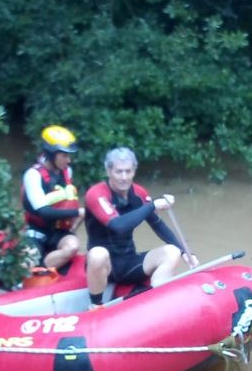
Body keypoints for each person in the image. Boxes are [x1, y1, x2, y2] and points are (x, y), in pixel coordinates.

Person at [83, 147, 199, 308]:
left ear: (134, 171)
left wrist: (185, 252)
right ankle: (95, 305)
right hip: (104, 266)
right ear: (108, 171)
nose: (124, 177)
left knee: (172, 251)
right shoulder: (96, 194)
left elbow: (157, 224)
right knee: (97, 254)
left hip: (128, 261)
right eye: (119, 172)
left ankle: (157, 299)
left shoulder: (138, 193)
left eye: (128, 171)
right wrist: (151, 205)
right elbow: (118, 226)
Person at [22, 125, 85, 271]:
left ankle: (42, 270)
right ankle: (29, 265)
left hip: (58, 231)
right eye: (64, 155)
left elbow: (67, 202)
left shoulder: (67, 171)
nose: (68, 160)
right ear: (51, 154)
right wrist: (78, 213)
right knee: (26, 263)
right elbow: (44, 212)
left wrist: (74, 224)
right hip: (36, 230)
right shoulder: (33, 175)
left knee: (73, 246)